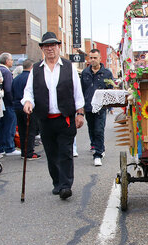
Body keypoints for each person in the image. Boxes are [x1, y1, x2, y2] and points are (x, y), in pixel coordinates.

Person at [22, 32, 85, 200]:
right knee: (51, 153)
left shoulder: (68, 66)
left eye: (53, 46)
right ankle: (57, 182)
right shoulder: (36, 69)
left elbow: (77, 92)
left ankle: (65, 186)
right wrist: (27, 102)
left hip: (65, 118)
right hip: (45, 119)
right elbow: (28, 92)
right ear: (42, 49)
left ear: (58, 47)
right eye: (46, 46)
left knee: (65, 152)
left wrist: (80, 113)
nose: (50, 49)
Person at [80, 48, 113, 166]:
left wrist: (110, 106)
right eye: (91, 58)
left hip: (101, 107)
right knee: (92, 129)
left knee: (99, 129)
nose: (92, 60)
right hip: (88, 106)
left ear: (100, 59)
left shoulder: (107, 73)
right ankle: (98, 146)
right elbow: (82, 90)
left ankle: (98, 154)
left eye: (95, 58)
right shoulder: (85, 73)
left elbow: (110, 90)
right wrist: (81, 106)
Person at [12, 59, 41, 160]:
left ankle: (24, 152)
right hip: (29, 107)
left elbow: (11, 92)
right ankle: (29, 152)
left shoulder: (16, 78)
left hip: (17, 107)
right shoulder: (31, 78)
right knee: (31, 130)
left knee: (22, 130)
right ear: (32, 67)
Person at [0, 52, 21, 156]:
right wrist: (12, 101)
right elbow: (8, 89)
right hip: (8, 104)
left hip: (1, 104)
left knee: (1, 126)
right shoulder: (6, 72)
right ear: (7, 61)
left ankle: (1, 147)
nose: (12, 61)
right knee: (9, 126)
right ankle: (9, 147)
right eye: (11, 60)